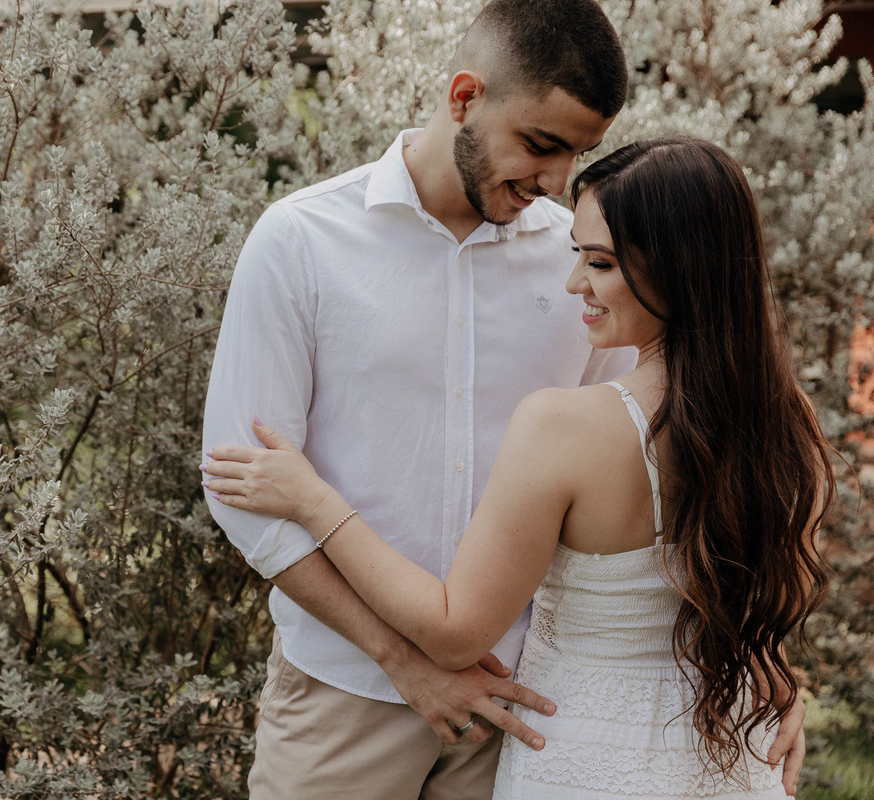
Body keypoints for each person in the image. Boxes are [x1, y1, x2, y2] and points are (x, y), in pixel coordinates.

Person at [202, 135, 835, 799]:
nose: (573, 284)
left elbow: (453, 633)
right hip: (723, 747)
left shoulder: (564, 427)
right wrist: (776, 680)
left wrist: (312, 500)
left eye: (600, 262)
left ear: (680, 268)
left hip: (575, 753)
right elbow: (752, 587)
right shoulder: (786, 425)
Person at [204, 1, 636, 796]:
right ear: (465, 97)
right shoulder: (299, 241)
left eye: (577, 154)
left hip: (523, 702)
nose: (554, 181)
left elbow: (633, 466)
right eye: (541, 145)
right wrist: (405, 663)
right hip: (343, 696)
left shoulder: (580, 265)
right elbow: (243, 493)